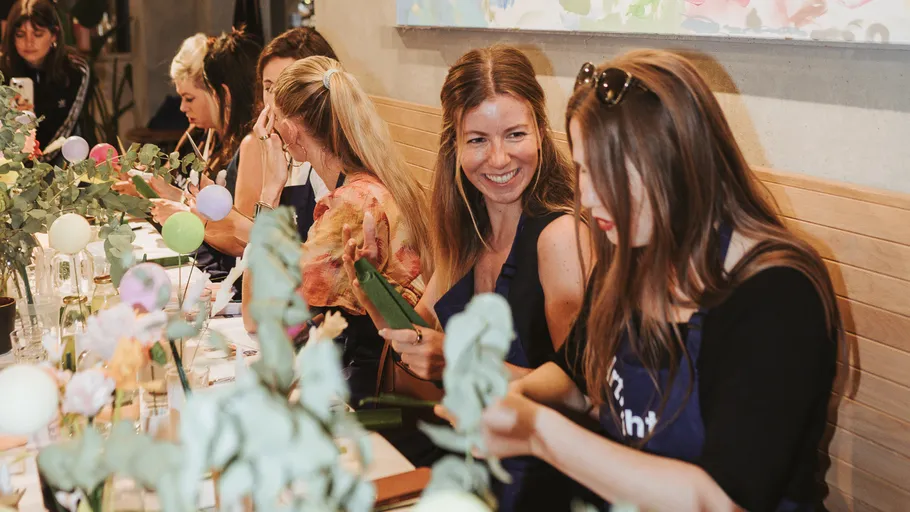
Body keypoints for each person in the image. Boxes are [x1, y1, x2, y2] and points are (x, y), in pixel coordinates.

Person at [478, 50, 841, 512]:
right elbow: (575, 374)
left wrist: (538, 432)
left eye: (607, 172)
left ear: (676, 161)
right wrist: (515, 399)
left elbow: (720, 499)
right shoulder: (632, 250)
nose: (587, 197)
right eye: (584, 169)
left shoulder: (777, 294)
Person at [343, 45, 589, 511]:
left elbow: (580, 393)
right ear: (454, 143)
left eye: (515, 134)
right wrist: (380, 302)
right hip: (463, 462)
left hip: (538, 481)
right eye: (477, 140)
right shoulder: (465, 230)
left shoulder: (559, 236)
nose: (498, 159)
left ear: (540, 129)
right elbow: (417, 351)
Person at [242, 56, 433, 407]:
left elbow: (255, 316)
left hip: (372, 396)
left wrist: (270, 193)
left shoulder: (350, 206)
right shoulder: (382, 182)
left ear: (291, 133)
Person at [231, 26, 337, 240]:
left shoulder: (333, 160)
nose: (273, 101)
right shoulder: (266, 144)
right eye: (268, 87)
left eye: (286, 88)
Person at [0, 0, 89, 162]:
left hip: (60, 160)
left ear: (54, 34)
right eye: (20, 35)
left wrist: (37, 166)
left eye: (38, 34)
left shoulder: (75, 70)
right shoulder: (3, 70)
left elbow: (65, 131)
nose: (29, 42)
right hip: (10, 163)